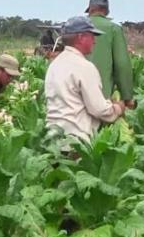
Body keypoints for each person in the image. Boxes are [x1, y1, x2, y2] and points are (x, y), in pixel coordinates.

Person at [45, 16, 126, 147]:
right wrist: (118, 108)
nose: (94, 41)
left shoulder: (54, 64)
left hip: (52, 140)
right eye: (92, 35)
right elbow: (99, 110)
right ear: (81, 37)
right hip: (76, 142)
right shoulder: (84, 67)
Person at [85, 0, 135, 108]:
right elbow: (121, 64)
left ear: (90, 9)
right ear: (106, 11)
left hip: (72, 94)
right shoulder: (114, 29)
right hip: (100, 95)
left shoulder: (75, 27)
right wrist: (127, 96)